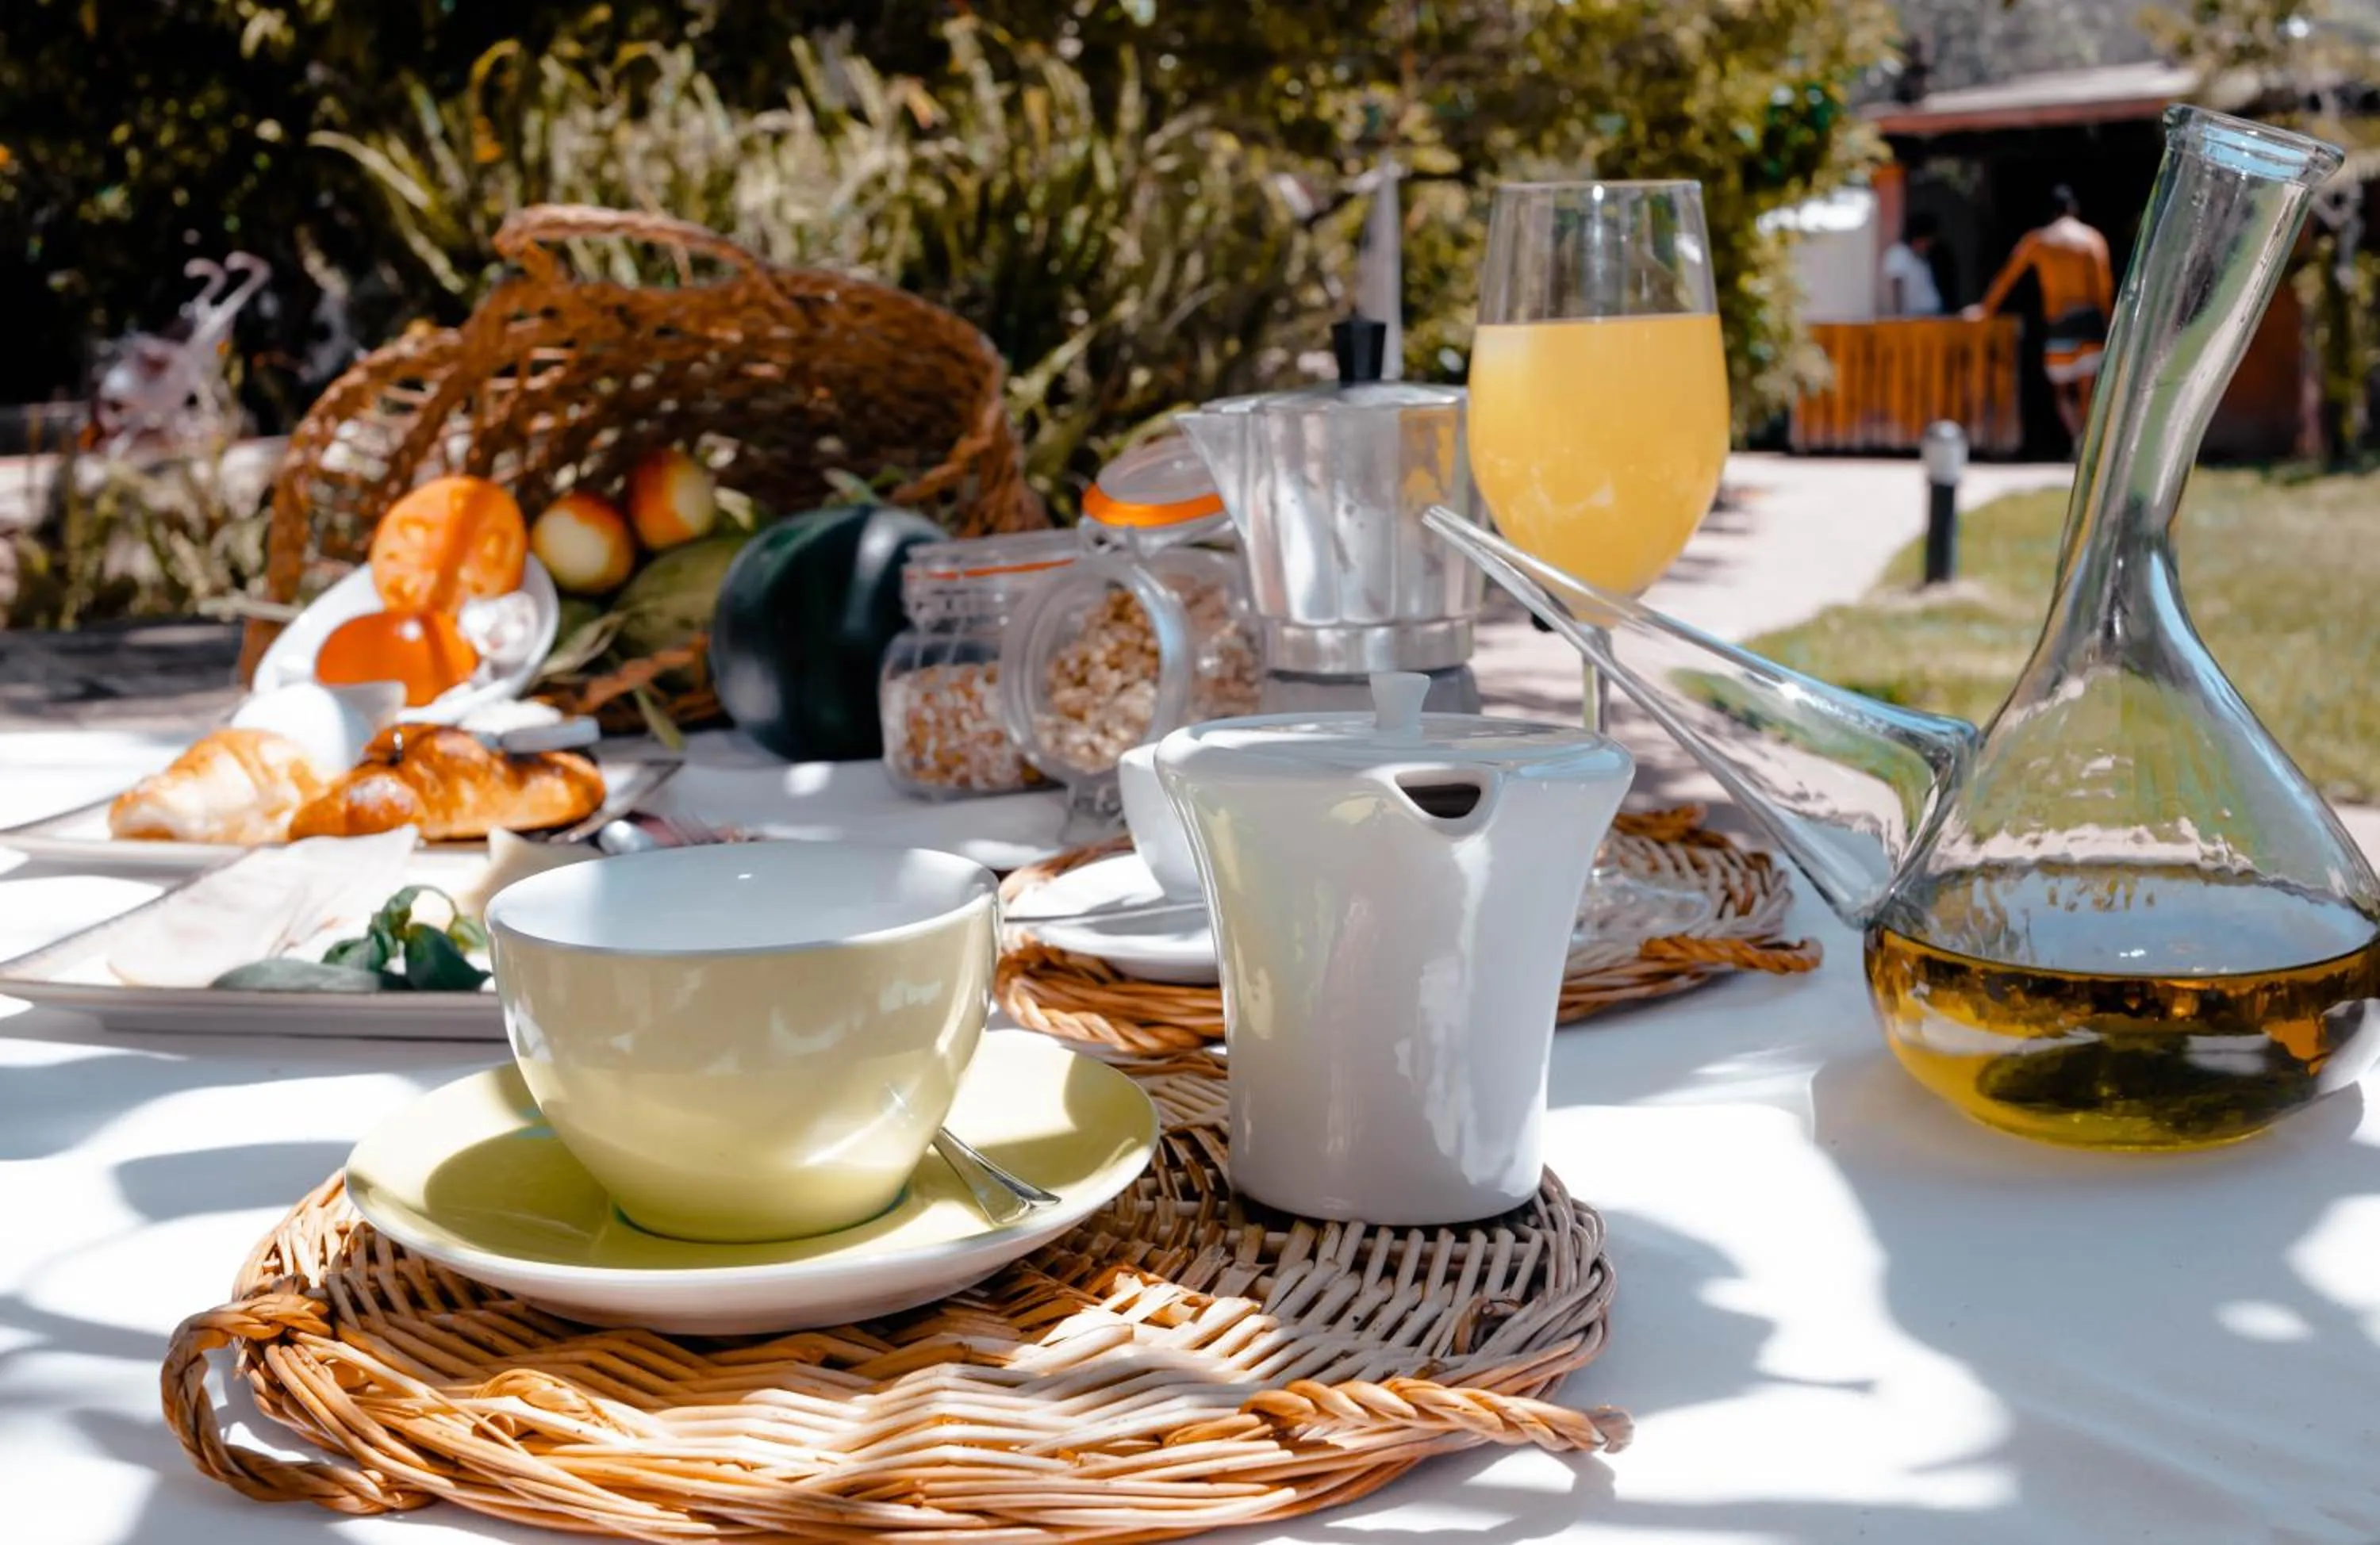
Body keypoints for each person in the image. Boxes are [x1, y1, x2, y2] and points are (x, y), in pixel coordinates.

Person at [1966, 185, 2115, 443]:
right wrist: (2112, 323)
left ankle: (2078, 438)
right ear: (2073, 209)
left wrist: (1985, 309)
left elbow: (2008, 277)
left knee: (2062, 391)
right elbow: (2104, 289)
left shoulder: (2039, 241)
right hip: (2089, 321)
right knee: (2088, 389)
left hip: (2059, 323)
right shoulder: (2092, 239)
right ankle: (2090, 442)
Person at [1879, 213, 1945, 316]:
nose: (1930, 245)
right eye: (1927, 240)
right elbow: (1895, 286)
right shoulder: (1899, 254)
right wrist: (1899, 319)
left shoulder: (1920, 259)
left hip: (1930, 315)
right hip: (1914, 317)